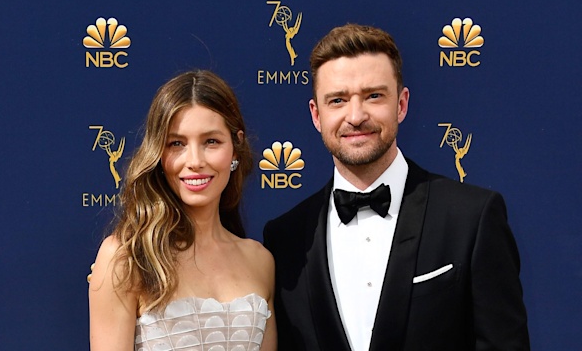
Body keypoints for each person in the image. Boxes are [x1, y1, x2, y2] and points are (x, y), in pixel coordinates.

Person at [263, 24, 529, 350]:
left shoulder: (471, 218)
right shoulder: (284, 238)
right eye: (338, 100)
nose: (356, 115)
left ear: (401, 104)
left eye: (374, 96)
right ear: (317, 115)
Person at [89, 70, 277, 351]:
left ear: (236, 148)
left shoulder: (260, 261)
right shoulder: (127, 257)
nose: (194, 161)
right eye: (176, 143)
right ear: (158, 153)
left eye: (211, 141)